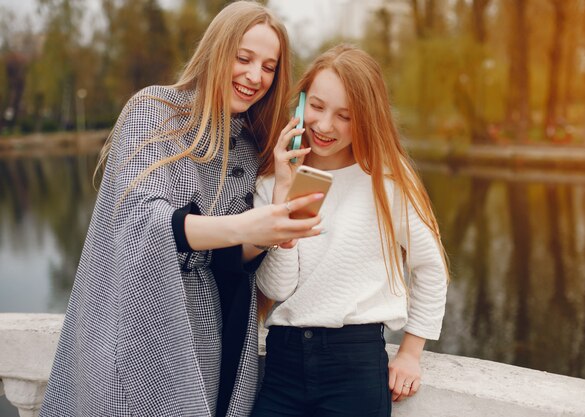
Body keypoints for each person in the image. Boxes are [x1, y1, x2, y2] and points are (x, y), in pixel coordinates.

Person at [40, 2, 322, 416]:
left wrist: (276, 207)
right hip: (138, 328)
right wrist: (244, 225)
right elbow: (142, 220)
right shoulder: (154, 110)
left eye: (269, 66)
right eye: (243, 58)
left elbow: (229, 258)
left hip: (212, 337)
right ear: (215, 51)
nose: (255, 76)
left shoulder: (248, 147)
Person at [251, 44, 448, 417]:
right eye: (318, 107)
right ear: (301, 102)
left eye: (345, 115)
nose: (325, 126)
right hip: (283, 365)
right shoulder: (273, 179)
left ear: (368, 118)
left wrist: (410, 352)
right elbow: (277, 289)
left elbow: (431, 267)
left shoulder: (385, 179)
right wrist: (283, 194)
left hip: (354, 366)